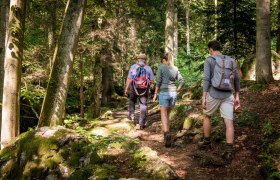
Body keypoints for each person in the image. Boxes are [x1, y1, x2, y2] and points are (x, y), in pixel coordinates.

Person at [199, 40, 240, 163]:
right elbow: (237, 79)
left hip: (214, 94)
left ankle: (206, 142)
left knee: (207, 116)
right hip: (228, 95)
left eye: (209, 50)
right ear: (220, 49)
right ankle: (229, 152)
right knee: (229, 122)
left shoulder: (209, 60)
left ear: (211, 49)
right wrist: (237, 96)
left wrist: (204, 97)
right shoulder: (231, 60)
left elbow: (206, 79)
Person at [153, 54, 185, 147]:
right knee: (167, 114)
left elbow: (158, 82)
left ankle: (166, 133)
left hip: (163, 93)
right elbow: (182, 80)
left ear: (164, 59)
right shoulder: (175, 68)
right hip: (173, 94)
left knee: (163, 114)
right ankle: (168, 133)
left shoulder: (161, 68)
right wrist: (178, 89)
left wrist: (155, 94)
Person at [125, 53, 154, 130]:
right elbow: (152, 81)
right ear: (145, 60)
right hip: (144, 89)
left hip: (133, 87)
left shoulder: (133, 67)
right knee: (143, 105)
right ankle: (141, 124)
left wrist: (126, 88)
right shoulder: (148, 68)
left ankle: (132, 118)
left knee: (132, 101)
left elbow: (129, 79)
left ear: (138, 59)